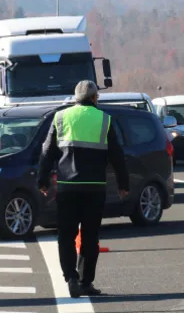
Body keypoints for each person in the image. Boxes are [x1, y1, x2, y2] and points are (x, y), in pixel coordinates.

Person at [37, 80, 130, 298]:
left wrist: (42, 180)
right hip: (94, 188)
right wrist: (123, 184)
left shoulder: (60, 118)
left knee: (66, 235)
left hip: (67, 187)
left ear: (75, 98)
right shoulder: (105, 120)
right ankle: (86, 281)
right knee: (90, 236)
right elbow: (117, 155)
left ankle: (70, 277)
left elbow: (47, 150)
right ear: (95, 98)